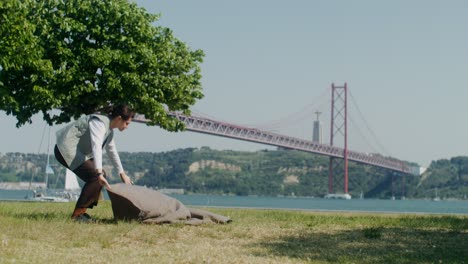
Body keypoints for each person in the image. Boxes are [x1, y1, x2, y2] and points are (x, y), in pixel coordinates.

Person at [54, 104, 135, 222]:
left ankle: (81, 213)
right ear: (118, 119)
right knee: (95, 177)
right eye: (127, 123)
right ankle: (77, 215)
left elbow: (112, 151)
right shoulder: (99, 123)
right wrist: (98, 173)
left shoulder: (109, 131)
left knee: (101, 176)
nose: (127, 127)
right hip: (64, 149)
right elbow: (96, 146)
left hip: (74, 152)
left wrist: (122, 173)